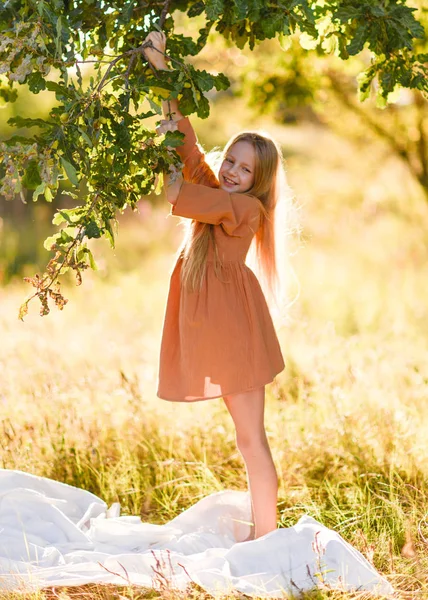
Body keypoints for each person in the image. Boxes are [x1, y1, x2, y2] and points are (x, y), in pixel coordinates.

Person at [143, 31, 289, 540]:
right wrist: (160, 69)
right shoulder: (219, 188)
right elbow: (183, 139)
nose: (231, 172)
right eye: (230, 159)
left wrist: (169, 165)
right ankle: (262, 531)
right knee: (244, 437)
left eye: (244, 169)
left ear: (258, 180)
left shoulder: (243, 208)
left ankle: (266, 540)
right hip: (222, 328)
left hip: (238, 332)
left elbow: (176, 191)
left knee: (251, 439)